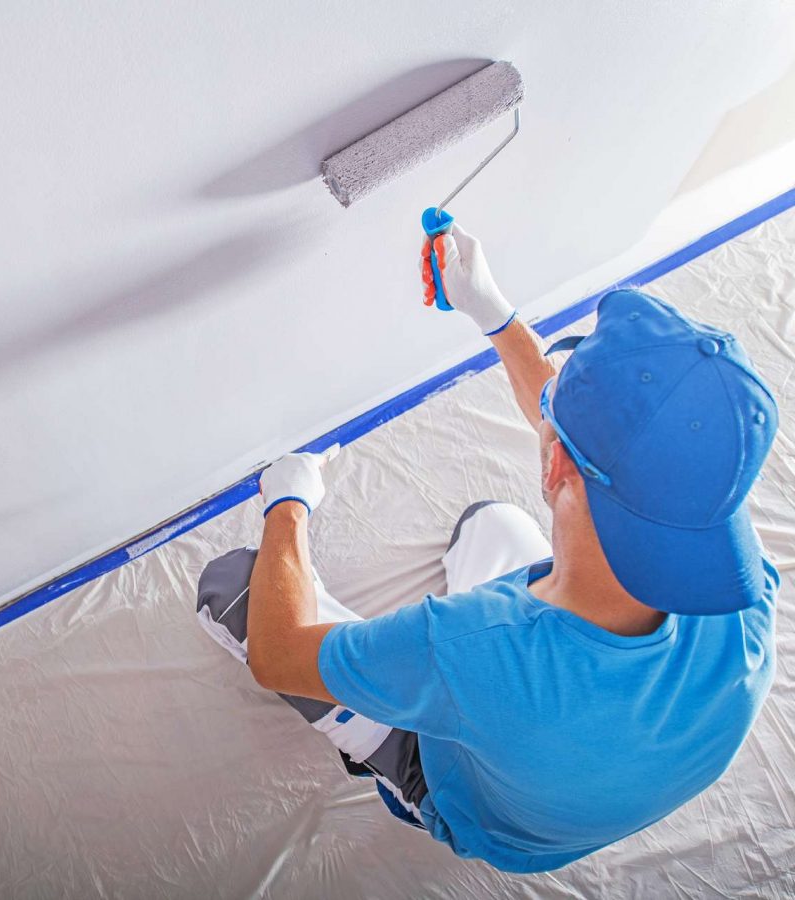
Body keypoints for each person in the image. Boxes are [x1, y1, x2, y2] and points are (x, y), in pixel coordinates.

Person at [195, 224, 780, 872]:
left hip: (488, 817)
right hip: (581, 784)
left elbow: (277, 658)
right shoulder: (735, 574)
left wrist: (288, 502)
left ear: (553, 465)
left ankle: (397, 769)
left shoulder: (471, 646)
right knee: (490, 525)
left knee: (233, 585)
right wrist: (493, 312)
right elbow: (586, 440)